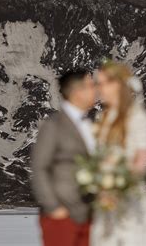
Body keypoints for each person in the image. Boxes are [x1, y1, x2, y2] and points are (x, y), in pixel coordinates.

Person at [91, 60, 146, 246]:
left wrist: (119, 185)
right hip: (104, 199)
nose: (99, 89)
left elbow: (141, 161)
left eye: (103, 84)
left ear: (117, 85)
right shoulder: (103, 118)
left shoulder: (137, 117)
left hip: (128, 197)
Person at [31, 69, 97, 246]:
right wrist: (54, 207)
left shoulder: (89, 125)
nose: (95, 90)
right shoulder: (53, 125)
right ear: (77, 92)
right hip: (61, 216)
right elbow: (39, 167)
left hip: (88, 215)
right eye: (90, 86)